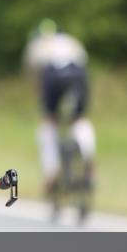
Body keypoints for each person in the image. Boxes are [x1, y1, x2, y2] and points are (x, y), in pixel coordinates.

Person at [23, 19, 96, 198]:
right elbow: (84, 66)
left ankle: (51, 173)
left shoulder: (36, 45)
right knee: (79, 120)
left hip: (53, 75)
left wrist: (45, 108)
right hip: (77, 73)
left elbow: (35, 81)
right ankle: (89, 161)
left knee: (49, 124)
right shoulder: (70, 41)